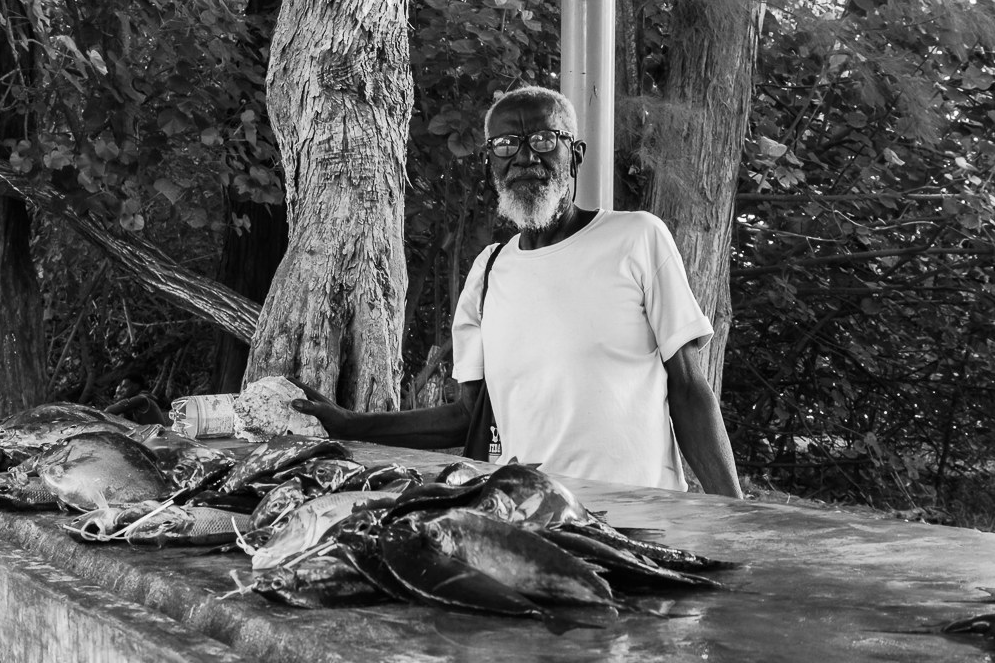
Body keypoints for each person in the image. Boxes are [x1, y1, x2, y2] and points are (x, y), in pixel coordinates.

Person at [292, 86, 743, 498]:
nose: (525, 157)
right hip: (532, 514)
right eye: (507, 145)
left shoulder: (637, 238)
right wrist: (350, 424)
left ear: (576, 155)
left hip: (641, 513)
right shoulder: (488, 271)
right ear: (492, 162)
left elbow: (688, 389)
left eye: (545, 140)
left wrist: (737, 512)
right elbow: (466, 415)